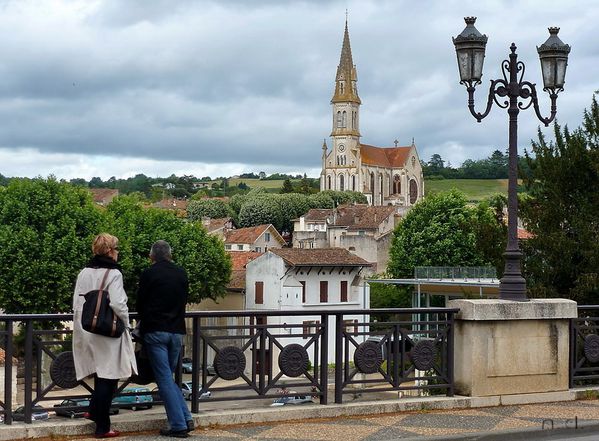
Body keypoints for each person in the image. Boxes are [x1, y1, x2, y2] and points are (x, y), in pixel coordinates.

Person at [72, 233, 137, 439]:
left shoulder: (84, 272)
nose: (118, 253)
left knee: (100, 374)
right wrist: (127, 323)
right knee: (109, 377)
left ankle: (93, 410)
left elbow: (77, 303)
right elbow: (118, 303)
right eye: (116, 249)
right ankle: (102, 427)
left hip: (87, 329)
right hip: (107, 331)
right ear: (109, 251)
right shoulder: (114, 274)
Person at [137, 240, 193, 438]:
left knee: (163, 380)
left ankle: (178, 425)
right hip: (177, 331)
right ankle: (186, 417)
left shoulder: (148, 274)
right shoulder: (181, 273)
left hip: (155, 332)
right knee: (167, 379)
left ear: (152, 256)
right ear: (170, 254)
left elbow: (140, 303)